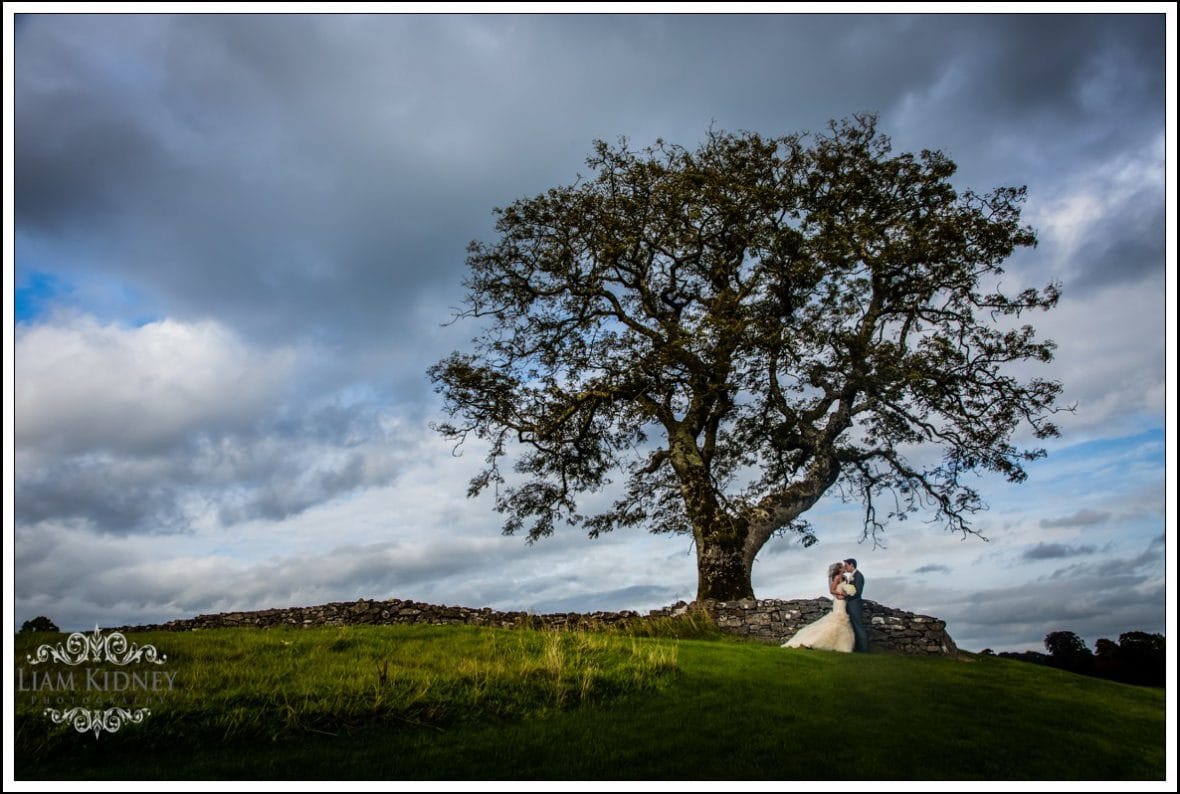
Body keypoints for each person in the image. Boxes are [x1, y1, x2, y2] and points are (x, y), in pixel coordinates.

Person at [781, 562, 855, 652]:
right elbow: (832, 590)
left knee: (843, 622)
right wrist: (840, 594)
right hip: (839, 601)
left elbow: (846, 588)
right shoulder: (837, 577)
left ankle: (840, 644)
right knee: (838, 619)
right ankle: (814, 640)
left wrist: (848, 592)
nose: (844, 568)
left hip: (844, 601)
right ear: (839, 569)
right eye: (843, 567)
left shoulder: (845, 578)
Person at [843, 558, 869, 653]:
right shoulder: (852, 576)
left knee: (858, 626)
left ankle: (864, 649)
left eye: (846, 565)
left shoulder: (858, 576)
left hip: (855, 604)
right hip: (851, 604)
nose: (845, 567)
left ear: (851, 565)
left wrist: (846, 598)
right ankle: (858, 648)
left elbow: (857, 592)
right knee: (853, 626)